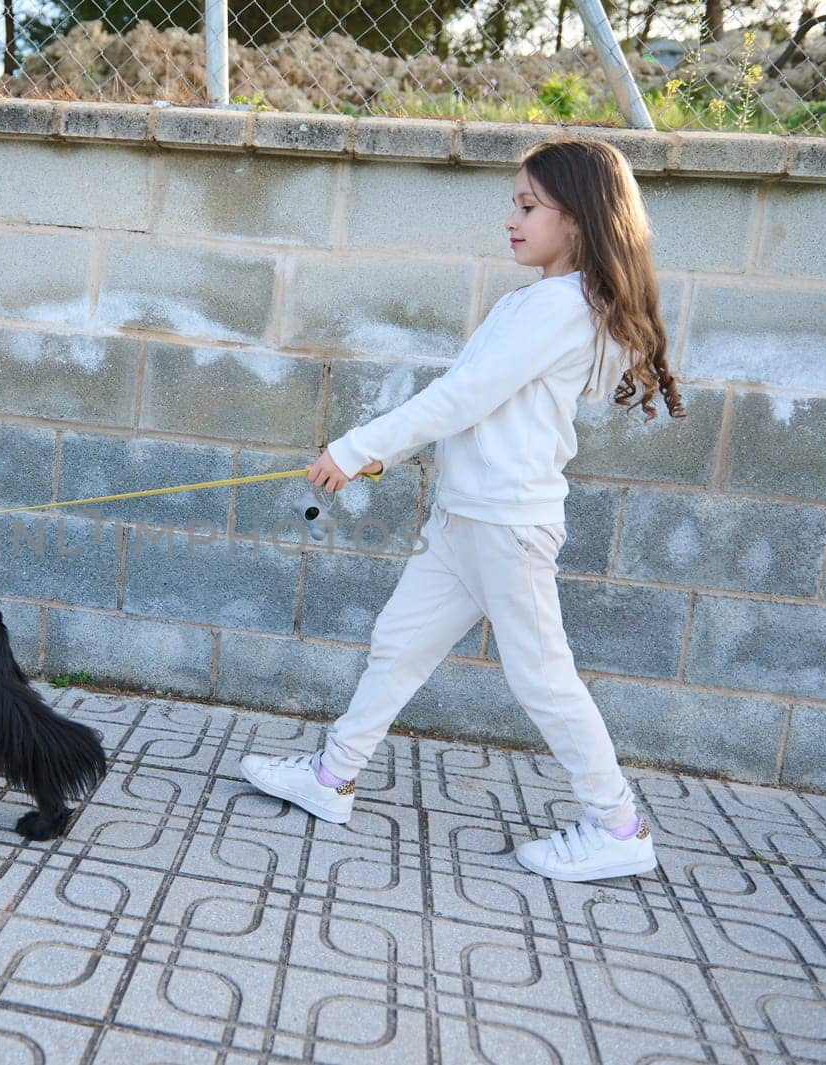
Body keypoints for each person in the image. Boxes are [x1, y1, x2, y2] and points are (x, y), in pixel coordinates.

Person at [240, 137, 686, 883]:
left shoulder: (558, 309)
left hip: (508, 527)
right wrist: (388, 450)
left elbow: (461, 397)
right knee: (399, 641)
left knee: (544, 677)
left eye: (528, 205)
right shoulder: (548, 302)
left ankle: (618, 825)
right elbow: (481, 407)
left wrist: (355, 447)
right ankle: (333, 776)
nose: (511, 218)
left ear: (576, 220)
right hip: (466, 518)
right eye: (513, 202)